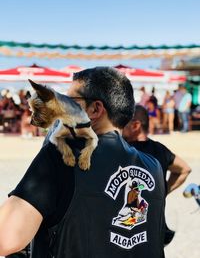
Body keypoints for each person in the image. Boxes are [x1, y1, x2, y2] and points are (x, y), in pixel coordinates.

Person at [0, 67, 165, 258]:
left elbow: (6, 239)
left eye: (70, 101)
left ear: (95, 109)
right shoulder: (154, 166)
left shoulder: (63, 157)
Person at [122, 105, 191, 248]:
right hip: (154, 232)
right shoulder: (159, 149)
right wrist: (163, 190)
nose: (119, 126)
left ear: (136, 125)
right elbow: (184, 169)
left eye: (123, 122)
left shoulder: (122, 149)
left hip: (126, 233)